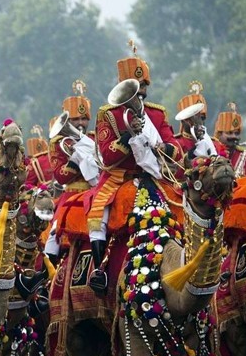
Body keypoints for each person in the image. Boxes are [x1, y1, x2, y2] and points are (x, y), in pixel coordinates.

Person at [86, 43, 183, 294]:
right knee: (98, 215)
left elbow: (175, 148)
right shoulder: (108, 114)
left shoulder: (157, 114)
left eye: (143, 86)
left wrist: (163, 147)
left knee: (185, 207)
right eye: (135, 86)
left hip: (155, 176)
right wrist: (129, 136)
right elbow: (107, 155)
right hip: (119, 178)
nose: (140, 92)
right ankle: (99, 270)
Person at [45, 79, 100, 262]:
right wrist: (77, 160)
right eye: (76, 119)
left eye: (84, 119)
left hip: (95, 193)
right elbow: (61, 176)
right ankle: (46, 273)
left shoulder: (94, 139)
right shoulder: (58, 142)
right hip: (71, 195)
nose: (81, 123)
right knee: (54, 234)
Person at [174, 81, 225, 159]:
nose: (200, 122)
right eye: (194, 118)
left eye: (202, 118)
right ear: (183, 120)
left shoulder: (216, 144)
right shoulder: (175, 144)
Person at [214, 102, 246, 177]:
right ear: (219, 134)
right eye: (229, 133)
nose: (234, 136)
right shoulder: (210, 151)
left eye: (237, 133)